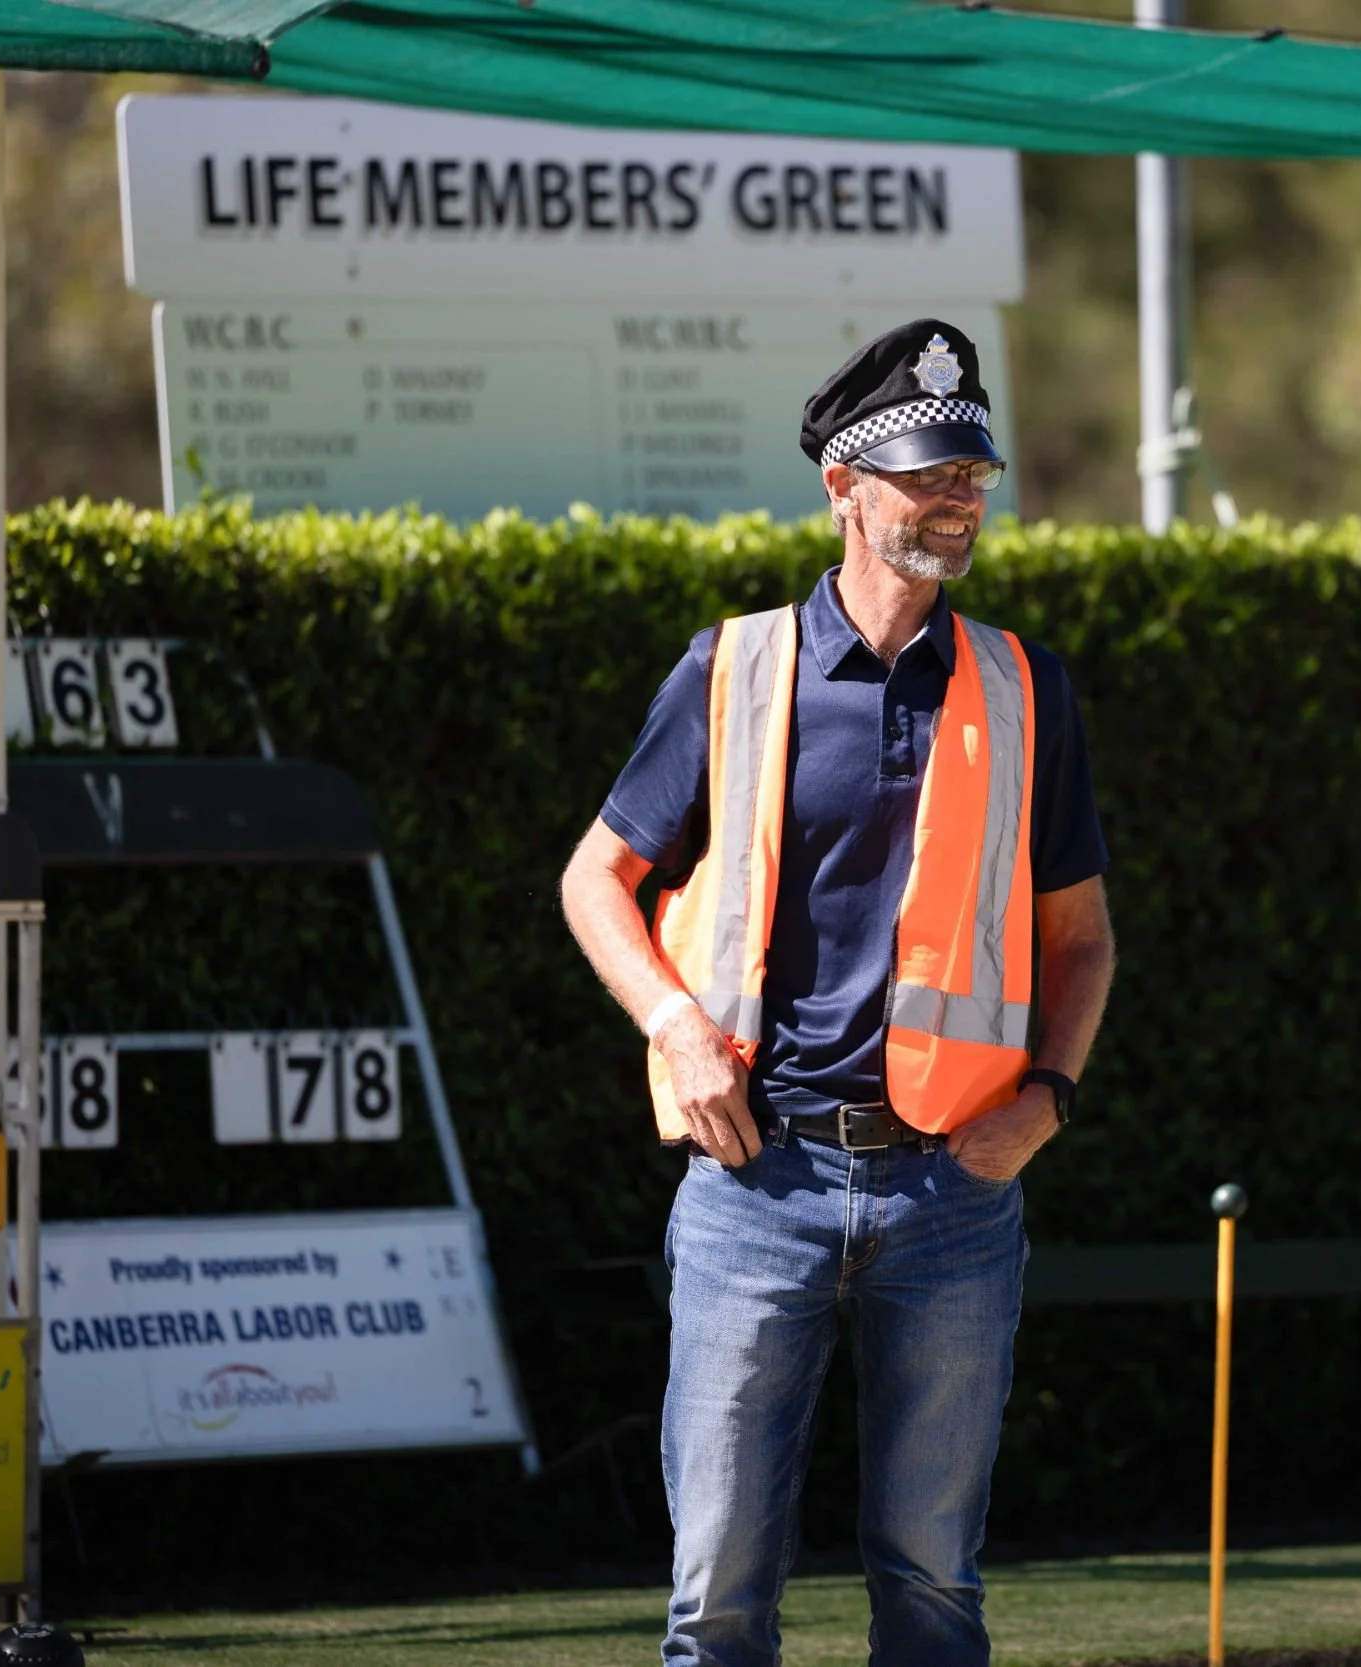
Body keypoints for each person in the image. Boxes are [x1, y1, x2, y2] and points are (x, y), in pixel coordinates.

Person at [560, 318, 1115, 1666]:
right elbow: (594, 880)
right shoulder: (733, 668)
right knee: (718, 1592)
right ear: (843, 488)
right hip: (758, 1185)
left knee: (933, 1586)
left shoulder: (1026, 686)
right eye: (928, 473)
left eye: (972, 473)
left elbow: (1083, 937)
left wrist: (1045, 1100)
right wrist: (675, 1024)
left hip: (954, 1195)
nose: (958, 498)